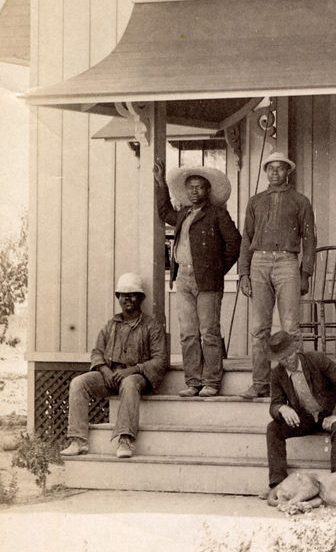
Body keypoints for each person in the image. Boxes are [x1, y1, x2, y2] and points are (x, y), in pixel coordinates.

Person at [155, 159, 241, 398]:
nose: (194, 191)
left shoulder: (217, 214)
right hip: (183, 277)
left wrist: (217, 269)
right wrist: (160, 184)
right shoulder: (183, 213)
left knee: (208, 331)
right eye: (190, 187)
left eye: (199, 187)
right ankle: (193, 382)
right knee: (188, 333)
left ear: (208, 190)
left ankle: (211, 382)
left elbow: (235, 243)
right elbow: (164, 212)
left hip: (207, 280)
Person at [60, 274, 167, 460]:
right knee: (79, 383)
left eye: (132, 295)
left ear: (140, 298)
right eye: (123, 295)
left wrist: (132, 370)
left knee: (129, 383)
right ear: (118, 298)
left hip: (137, 377)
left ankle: (125, 440)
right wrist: (105, 370)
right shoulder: (111, 325)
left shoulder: (151, 326)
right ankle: (78, 440)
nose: (128, 299)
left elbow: (160, 360)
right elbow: (97, 352)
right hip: (111, 376)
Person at [237, 153, 317, 400]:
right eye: (270, 168)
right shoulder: (255, 201)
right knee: (259, 327)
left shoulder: (300, 201)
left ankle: (297, 385)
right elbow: (247, 237)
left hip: (287, 262)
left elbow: (309, 239)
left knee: (290, 327)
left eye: (280, 168)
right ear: (265, 171)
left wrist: (305, 272)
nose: (275, 172)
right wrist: (243, 272)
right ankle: (260, 383)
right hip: (259, 261)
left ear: (288, 172)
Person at [261, 330, 336, 504]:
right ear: (277, 360)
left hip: (331, 412)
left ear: (296, 349)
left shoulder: (316, 359)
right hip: (305, 417)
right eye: (283, 358)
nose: (289, 360)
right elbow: (274, 404)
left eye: (290, 354)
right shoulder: (277, 374)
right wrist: (282, 408)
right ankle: (278, 485)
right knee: (273, 428)